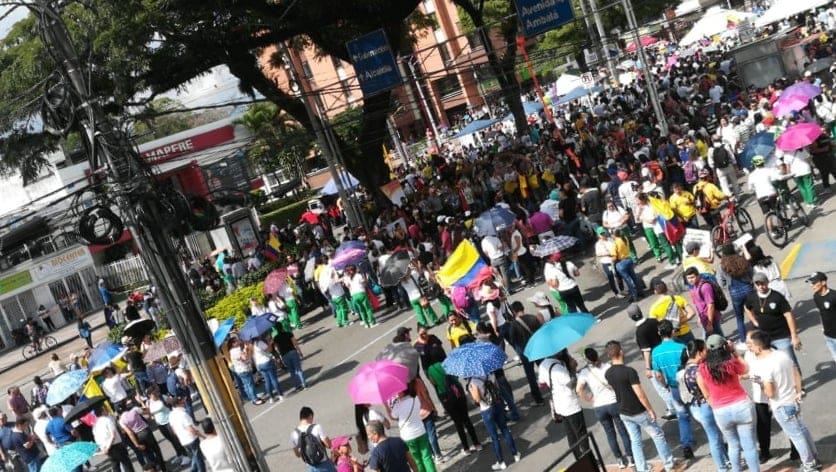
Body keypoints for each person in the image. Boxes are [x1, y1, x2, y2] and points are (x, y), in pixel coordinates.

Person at [745, 330, 820, 470]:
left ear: (759, 347)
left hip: (781, 405)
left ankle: (809, 465)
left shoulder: (765, 366)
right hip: (793, 400)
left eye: (752, 346)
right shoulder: (781, 354)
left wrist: (761, 385)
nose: (751, 349)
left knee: (796, 436)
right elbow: (796, 372)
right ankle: (814, 457)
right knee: (803, 431)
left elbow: (771, 393)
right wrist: (798, 392)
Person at [604, 340, 675, 472]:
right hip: (638, 411)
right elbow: (640, 393)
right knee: (658, 435)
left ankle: (642, 468)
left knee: (635, 441)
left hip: (623, 412)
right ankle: (669, 464)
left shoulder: (608, 373)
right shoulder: (629, 371)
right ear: (621, 352)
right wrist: (650, 410)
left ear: (609, 355)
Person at [696, 335, 760, 472]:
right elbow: (746, 368)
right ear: (725, 346)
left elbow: (705, 392)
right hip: (741, 405)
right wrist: (734, 351)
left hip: (721, 410)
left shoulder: (702, 368)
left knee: (733, 445)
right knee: (749, 445)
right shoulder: (731, 362)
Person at [576, 347, 633, 468]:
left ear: (587, 359)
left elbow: (578, 390)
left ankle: (619, 460)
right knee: (622, 430)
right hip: (613, 403)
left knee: (610, 434)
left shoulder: (585, 372)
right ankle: (630, 457)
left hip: (599, 407)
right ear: (597, 355)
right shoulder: (608, 367)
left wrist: (589, 399)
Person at [678, 340, 730, 471]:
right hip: (706, 405)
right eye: (705, 350)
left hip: (695, 406)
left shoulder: (684, 370)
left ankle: (725, 460)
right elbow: (708, 393)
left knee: (715, 435)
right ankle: (722, 466)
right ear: (699, 353)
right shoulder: (699, 371)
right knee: (715, 438)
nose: (707, 352)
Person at [650, 320, 694, 460]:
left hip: (674, 387)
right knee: (698, 410)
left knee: (682, 416)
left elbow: (657, 375)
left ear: (659, 333)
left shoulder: (656, 352)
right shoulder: (681, 347)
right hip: (688, 384)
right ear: (672, 331)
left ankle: (686, 444)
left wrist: (665, 385)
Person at [743, 272, 802, 370]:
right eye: (758, 284)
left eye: (762, 283)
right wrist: (753, 321)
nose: (761, 286)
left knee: (790, 362)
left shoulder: (777, 297)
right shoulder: (751, 297)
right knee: (769, 364)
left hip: (781, 336)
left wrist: (794, 336)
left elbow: (788, 315)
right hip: (763, 338)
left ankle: (798, 384)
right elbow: (747, 307)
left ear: (767, 282)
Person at [539, 349, 589, 461]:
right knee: (581, 434)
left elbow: (542, 384)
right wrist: (573, 369)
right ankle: (588, 458)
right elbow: (572, 385)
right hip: (570, 405)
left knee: (571, 434)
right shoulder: (558, 368)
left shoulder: (543, 364)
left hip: (559, 405)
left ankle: (579, 459)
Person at [465, 372, 519, 470]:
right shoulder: (490, 373)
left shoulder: (474, 381)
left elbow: (477, 399)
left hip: (486, 410)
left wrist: (471, 391)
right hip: (497, 405)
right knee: (505, 430)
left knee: (494, 437)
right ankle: (515, 454)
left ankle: (501, 462)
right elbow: (497, 389)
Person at [425, 363, 481, 455]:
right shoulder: (447, 363)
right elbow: (456, 375)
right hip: (457, 393)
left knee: (458, 423)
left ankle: (466, 448)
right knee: (466, 419)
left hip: (445, 396)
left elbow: (433, 382)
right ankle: (477, 444)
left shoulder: (430, 369)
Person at [137, 386, 190, 466]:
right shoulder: (149, 403)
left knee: (175, 439)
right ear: (149, 395)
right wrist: (142, 403)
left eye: (156, 392)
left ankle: (185, 456)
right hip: (160, 424)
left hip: (169, 422)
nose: (156, 394)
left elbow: (172, 402)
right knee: (171, 440)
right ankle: (179, 454)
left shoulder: (162, 398)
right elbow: (148, 414)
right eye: (154, 393)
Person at [385, 390, 436, 472]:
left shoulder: (398, 405)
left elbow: (393, 416)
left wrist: (386, 406)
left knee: (417, 460)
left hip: (408, 436)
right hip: (420, 431)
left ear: (401, 392)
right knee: (427, 457)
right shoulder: (415, 399)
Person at [506, 302, 545, 406]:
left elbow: (512, 340)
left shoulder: (514, 324)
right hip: (538, 349)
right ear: (523, 308)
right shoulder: (533, 318)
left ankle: (538, 399)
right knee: (545, 368)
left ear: (513, 311)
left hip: (525, 353)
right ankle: (553, 387)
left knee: (531, 376)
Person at [717, 244, 755, 341]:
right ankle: (758, 334)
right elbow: (752, 273)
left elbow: (721, 282)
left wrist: (727, 286)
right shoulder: (742, 260)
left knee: (739, 318)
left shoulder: (722, 265)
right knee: (754, 313)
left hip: (735, 292)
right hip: (748, 288)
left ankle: (742, 339)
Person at [117, 399, 167, 471]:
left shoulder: (121, 420)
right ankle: (163, 469)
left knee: (147, 454)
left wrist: (136, 444)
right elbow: (147, 412)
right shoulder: (134, 410)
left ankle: (153, 469)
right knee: (156, 451)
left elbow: (130, 433)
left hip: (138, 436)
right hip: (146, 431)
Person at [93, 403, 135, 472]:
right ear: (102, 411)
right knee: (127, 465)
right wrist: (108, 447)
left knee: (115, 466)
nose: (107, 410)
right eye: (105, 409)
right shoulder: (107, 420)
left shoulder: (95, 425)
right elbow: (113, 435)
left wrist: (104, 449)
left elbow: (97, 440)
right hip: (115, 446)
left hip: (106, 448)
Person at [169, 395, 205, 472]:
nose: (184, 402)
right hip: (191, 439)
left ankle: (193, 470)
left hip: (183, 440)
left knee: (194, 457)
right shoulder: (183, 414)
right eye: (182, 401)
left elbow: (173, 430)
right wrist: (202, 436)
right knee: (199, 459)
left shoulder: (171, 415)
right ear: (178, 404)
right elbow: (190, 429)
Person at [685, 266, 724, 336]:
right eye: (688, 278)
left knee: (718, 339)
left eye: (692, 277)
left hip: (711, 318)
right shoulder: (693, 287)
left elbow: (711, 305)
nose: (690, 280)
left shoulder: (705, 287)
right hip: (704, 318)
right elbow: (697, 305)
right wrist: (700, 317)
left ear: (698, 276)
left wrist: (710, 323)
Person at [807, 271, 836, 363]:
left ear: (823, 283)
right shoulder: (816, 296)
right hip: (828, 335)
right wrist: (823, 327)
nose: (812, 285)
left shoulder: (834, 296)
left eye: (814, 283)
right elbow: (821, 312)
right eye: (811, 283)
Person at [227, 338, 264, 406]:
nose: (238, 341)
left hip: (241, 369)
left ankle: (252, 397)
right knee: (250, 385)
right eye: (236, 341)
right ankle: (255, 399)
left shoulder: (232, 351)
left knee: (247, 385)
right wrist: (246, 349)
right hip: (244, 369)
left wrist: (246, 350)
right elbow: (244, 357)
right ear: (233, 344)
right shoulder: (235, 351)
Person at [611, 229, 644, 302]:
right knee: (634, 277)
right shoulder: (625, 238)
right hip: (629, 259)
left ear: (614, 235)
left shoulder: (615, 243)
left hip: (621, 263)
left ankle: (634, 296)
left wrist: (610, 260)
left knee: (628, 280)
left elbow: (614, 257)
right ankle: (641, 292)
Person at [273, 323, 307, 391]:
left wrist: (279, 358)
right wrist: (300, 352)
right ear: (282, 327)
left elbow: (276, 349)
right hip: (292, 352)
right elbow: (295, 343)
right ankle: (304, 384)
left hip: (284, 355)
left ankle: (297, 386)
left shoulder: (276, 338)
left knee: (292, 371)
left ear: (276, 329)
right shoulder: (288, 334)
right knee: (298, 369)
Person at [252, 334, 283, 403]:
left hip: (259, 364)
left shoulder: (253, 345)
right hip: (266, 361)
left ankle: (271, 397)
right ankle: (280, 394)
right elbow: (269, 350)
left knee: (267, 381)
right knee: (273, 379)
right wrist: (269, 343)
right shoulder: (260, 343)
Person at [593, 227, 624, 297]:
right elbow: (598, 254)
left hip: (615, 260)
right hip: (606, 262)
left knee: (618, 275)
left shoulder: (610, 240)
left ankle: (622, 289)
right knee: (611, 277)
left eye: (604, 233)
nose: (603, 235)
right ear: (598, 235)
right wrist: (607, 253)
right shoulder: (598, 244)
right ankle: (616, 293)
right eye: (601, 234)